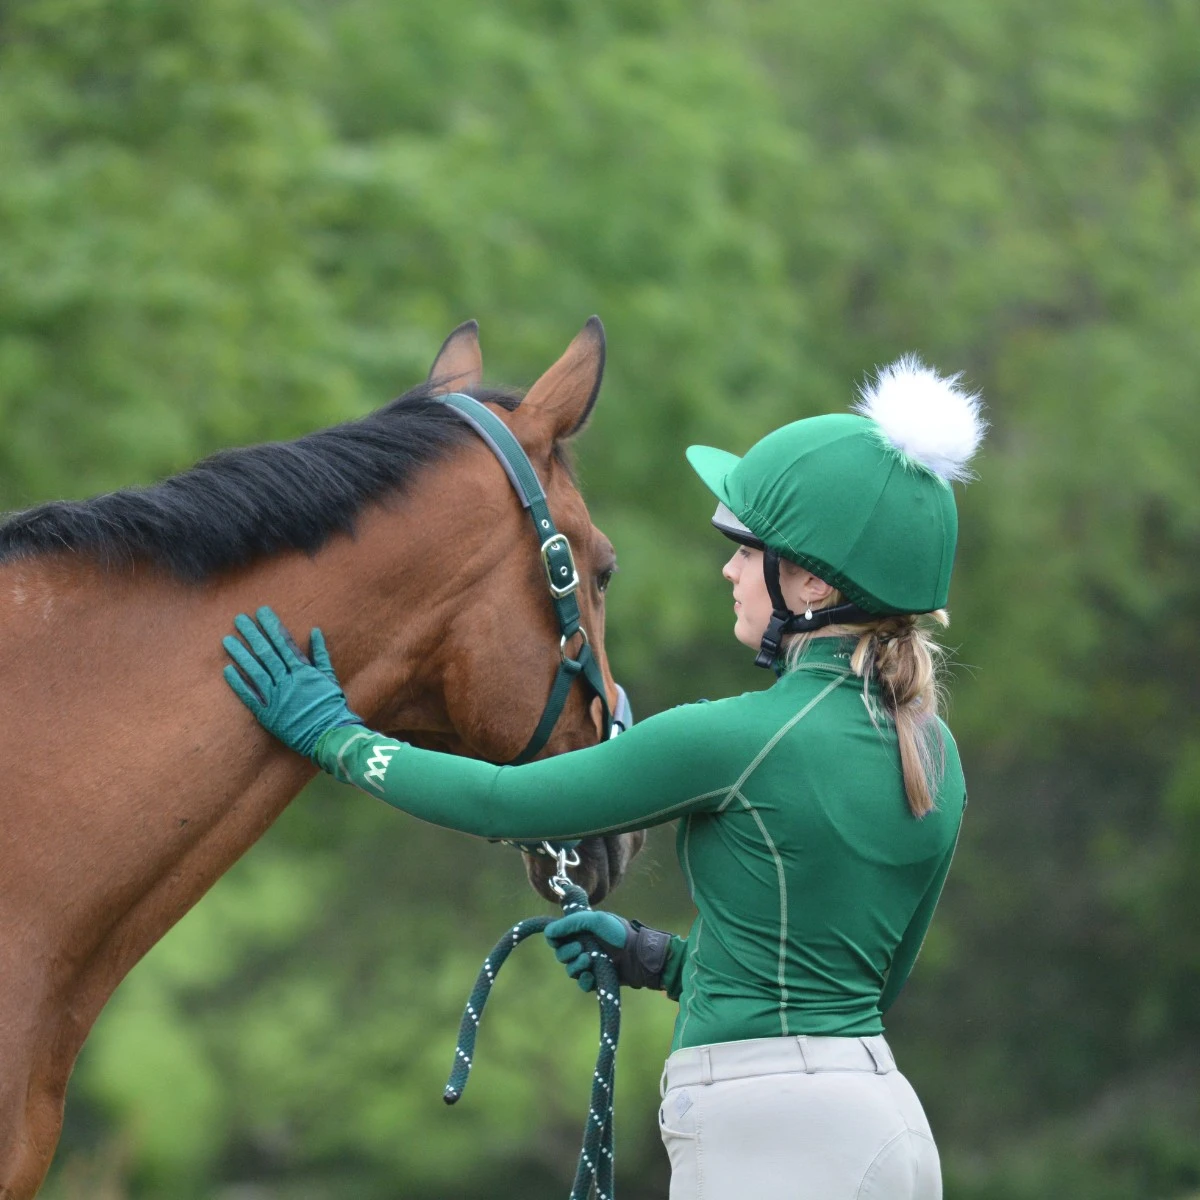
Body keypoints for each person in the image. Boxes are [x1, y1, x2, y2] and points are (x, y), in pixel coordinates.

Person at [222, 354, 985, 1200]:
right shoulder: (936, 756)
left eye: (747, 551)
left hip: (773, 1132)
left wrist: (333, 735)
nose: (729, 571)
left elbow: (500, 801)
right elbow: (846, 983)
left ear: (809, 582)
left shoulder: (735, 737)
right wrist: (660, 961)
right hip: (885, 1121)